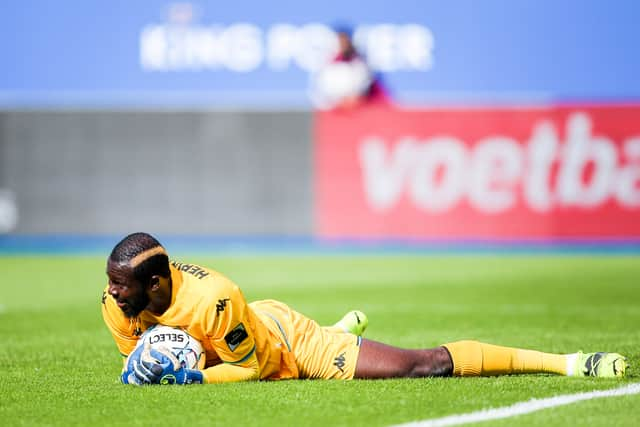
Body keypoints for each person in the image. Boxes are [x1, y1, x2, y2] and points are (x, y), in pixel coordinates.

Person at [102, 232, 627, 385]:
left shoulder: (214, 297)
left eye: (122, 285)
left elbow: (254, 368)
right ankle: (341, 326)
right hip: (247, 333)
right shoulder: (117, 305)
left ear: (154, 283)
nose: (112, 293)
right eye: (110, 284)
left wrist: (191, 380)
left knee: (422, 365)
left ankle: (565, 361)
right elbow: (142, 360)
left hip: (288, 343)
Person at [310, 26, 390, 110]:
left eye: (345, 41)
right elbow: (319, 95)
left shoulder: (361, 64)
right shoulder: (326, 66)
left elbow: (367, 91)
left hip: (362, 111)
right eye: (340, 41)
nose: (343, 44)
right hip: (336, 112)